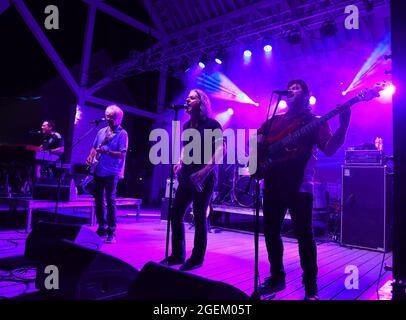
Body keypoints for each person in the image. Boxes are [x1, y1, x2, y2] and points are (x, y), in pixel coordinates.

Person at [257, 80, 351, 300]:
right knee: (271, 232)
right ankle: (276, 278)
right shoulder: (272, 122)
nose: (292, 89)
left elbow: (329, 149)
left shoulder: (315, 121)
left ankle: (310, 287)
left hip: (299, 185)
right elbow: (256, 142)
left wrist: (344, 125)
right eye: (290, 87)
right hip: (272, 183)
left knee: (305, 236)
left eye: (298, 87)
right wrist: (257, 165)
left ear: (307, 95)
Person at [161, 89, 225, 271]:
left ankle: (197, 258)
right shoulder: (187, 125)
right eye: (187, 96)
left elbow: (221, 150)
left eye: (192, 97)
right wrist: (180, 162)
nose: (187, 99)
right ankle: (177, 254)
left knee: (198, 216)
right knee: (176, 214)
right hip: (187, 175)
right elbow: (185, 148)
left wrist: (204, 171)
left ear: (202, 102)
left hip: (204, 177)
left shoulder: (213, 124)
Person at [86, 105, 128, 244]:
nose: (107, 118)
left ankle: (111, 231)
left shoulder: (122, 134)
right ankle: (101, 227)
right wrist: (90, 157)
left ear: (118, 118)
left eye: (111, 116)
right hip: (98, 170)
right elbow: (94, 147)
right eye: (107, 115)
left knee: (110, 201)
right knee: (98, 200)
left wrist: (107, 152)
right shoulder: (101, 131)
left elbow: (122, 154)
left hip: (112, 172)